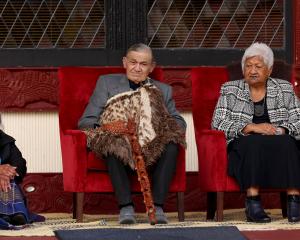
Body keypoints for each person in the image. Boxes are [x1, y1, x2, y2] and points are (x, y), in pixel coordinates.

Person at [78, 43, 186, 224]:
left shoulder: (163, 90)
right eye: (133, 62)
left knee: (172, 144)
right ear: (124, 63)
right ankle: (126, 207)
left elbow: (180, 122)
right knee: (112, 144)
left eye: (143, 64)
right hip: (119, 144)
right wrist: (114, 128)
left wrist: (158, 125)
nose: (137, 68)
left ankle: (157, 206)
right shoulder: (106, 83)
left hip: (151, 148)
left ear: (151, 67)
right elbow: (86, 121)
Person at [212, 42, 300, 223]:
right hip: (245, 142)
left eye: (258, 66)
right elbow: (217, 123)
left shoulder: (284, 88)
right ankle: (253, 202)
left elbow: (298, 119)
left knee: (289, 142)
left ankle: (294, 201)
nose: (252, 71)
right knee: (251, 142)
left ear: (269, 69)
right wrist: (250, 127)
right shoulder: (230, 89)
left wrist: (282, 129)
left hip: (277, 141)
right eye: (248, 66)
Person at [0, 115, 44, 229]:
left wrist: (8, 172)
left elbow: (20, 164)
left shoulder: (5, 141)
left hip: (7, 191)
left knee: (8, 180)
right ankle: (5, 214)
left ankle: (15, 213)